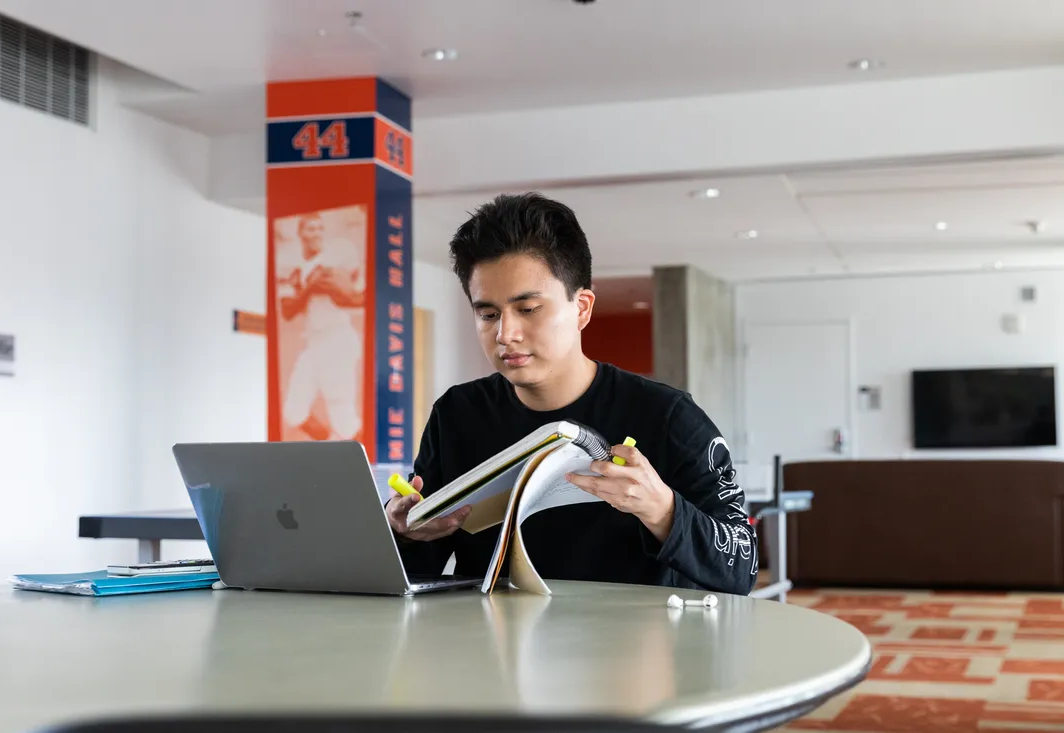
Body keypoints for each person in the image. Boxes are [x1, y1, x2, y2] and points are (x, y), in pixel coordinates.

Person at [385, 193, 757, 595]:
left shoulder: (666, 416)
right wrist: (403, 531)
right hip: (493, 649)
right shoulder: (457, 414)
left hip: (631, 650)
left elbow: (742, 567)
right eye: (487, 314)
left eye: (528, 309)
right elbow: (418, 572)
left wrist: (663, 510)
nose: (504, 334)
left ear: (581, 308)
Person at [277, 211, 366, 442]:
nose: (316, 233)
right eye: (310, 229)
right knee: (294, 412)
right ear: (301, 234)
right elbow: (287, 310)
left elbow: (353, 296)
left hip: (337, 338)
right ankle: (330, 444)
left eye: (319, 228)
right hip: (314, 342)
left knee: (343, 416)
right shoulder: (297, 268)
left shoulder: (333, 258)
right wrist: (309, 286)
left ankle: (368, 468)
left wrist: (325, 285)